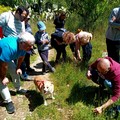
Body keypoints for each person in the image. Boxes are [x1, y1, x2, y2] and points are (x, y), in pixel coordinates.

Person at [0, 32, 35, 114]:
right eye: (29, 45)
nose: (31, 47)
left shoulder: (24, 47)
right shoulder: (10, 48)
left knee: (15, 71)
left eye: (32, 45)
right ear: (22, 43)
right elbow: (3, 66)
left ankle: (18, 89)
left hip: (6, 57)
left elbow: (21, 57)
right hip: (1, 58)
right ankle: (8, 101)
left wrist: (18, 68)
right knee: (1, 81)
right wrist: (3, 77)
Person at [0, 6, 29, 92]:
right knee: (6, 68)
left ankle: (18, 88)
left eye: (25, 17)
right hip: (6, 48)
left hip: (17, 48)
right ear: (17, 12)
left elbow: (22, 33)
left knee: (16, 69)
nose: (24, 19)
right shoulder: (6, 16)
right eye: (23, 16)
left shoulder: (22, 21)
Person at [20, 15, 35, 80]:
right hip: (23, 45)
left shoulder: (28, 25)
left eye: (28, 19)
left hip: (29, 44)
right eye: (26, 18)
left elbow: (31, 33)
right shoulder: (20, 25)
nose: (27, 20)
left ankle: (28, 67)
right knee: (22, 59)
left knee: (27, 57)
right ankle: (24, 74)